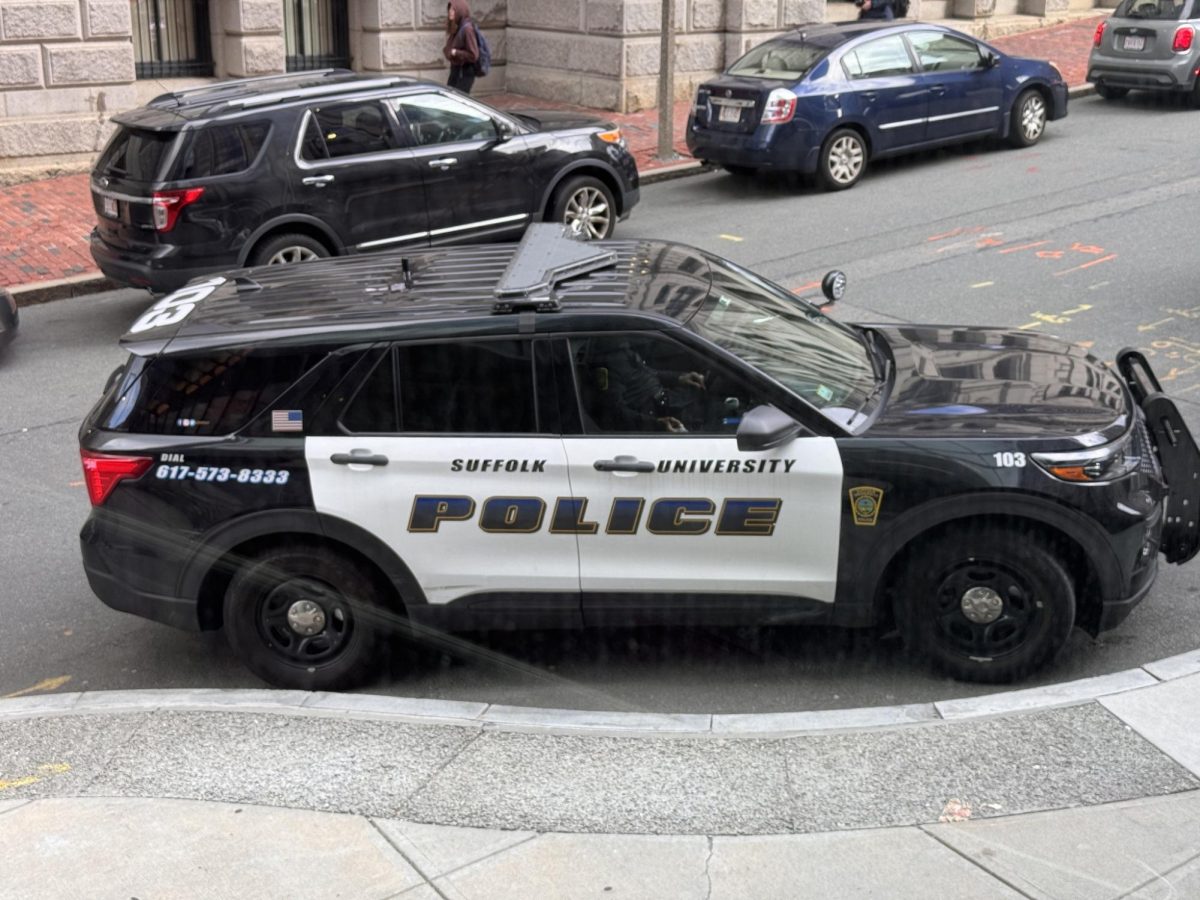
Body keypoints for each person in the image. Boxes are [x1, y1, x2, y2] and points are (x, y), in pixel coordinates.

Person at [585, 337, 706, 433]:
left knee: (703, 391)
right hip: (652, 413)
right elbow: (615, 412)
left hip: (663, 400)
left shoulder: (623, 347)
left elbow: (648, 373)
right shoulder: (608, 359)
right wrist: (657, 424)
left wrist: (679, 378)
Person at [444, 0, 480, 94]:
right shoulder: (457, 27)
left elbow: (473, 55)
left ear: (460, 10)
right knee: (450, 98)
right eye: (450, 9)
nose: (450, 12)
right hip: (456, 70)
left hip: (464, 72)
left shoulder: (467, 29)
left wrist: (456, 52)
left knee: (459, 102)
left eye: (453, 10)